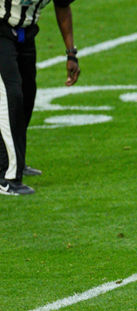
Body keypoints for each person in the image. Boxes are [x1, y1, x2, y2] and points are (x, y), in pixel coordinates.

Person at [0, 0, 80, 196]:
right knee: (11, 96)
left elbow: (62, 6)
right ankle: (7, 177)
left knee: (27, 95)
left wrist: (71, 53)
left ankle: (16, 159)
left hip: (25, 34)